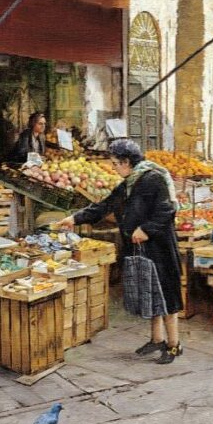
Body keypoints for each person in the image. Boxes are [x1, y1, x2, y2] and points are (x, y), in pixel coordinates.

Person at [53, 139, 185, 363]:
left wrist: (146, 229)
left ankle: (174, 345)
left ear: (126, 162)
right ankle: (157, 339)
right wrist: (74, 218)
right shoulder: (130, 182)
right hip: (142, 247)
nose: (113, 168)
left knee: (166, 295)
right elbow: (105, 205)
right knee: (150, 293)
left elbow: (168, 209)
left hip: (159, 246)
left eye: (115, 163)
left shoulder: (153, 178)